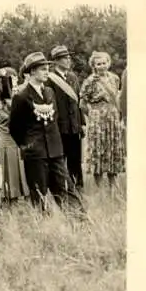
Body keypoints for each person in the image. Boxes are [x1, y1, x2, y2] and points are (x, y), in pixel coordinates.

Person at [9, 52, 86, 218]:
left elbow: (55, 119)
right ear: (32, 72)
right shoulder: (21, 96)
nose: (46, 72)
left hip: (55, 150)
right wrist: (28, 146)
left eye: (47, 68)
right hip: (36, 154)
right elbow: (15, 128)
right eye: (42, 69)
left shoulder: (50, 91)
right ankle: (45, 229)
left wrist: (56, 145)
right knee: (40, 194)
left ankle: (81, 223)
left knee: (67, 189)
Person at [79, 51, 125, 188]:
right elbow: (82, 104)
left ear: (109, 63)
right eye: (98, 64)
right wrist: (94, 115)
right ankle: (99, 188)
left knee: (112, 150)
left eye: (104, 63)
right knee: (97, 152)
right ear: (93, 65)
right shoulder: (89, 81)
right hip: (97, 121)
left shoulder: (115, 78)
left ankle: (113, 187)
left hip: (113, 119)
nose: (102, 66)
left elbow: (117, 99)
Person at [45, 45, 86, 191]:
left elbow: (78, 102)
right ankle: (63, 189)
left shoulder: (73, 77)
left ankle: (77, 188)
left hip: (74, 126)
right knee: (59, 161)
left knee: (75, 160)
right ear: (56, 61)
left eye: (69, 57)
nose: (68, 60)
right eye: (64, 57)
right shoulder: (49, 78)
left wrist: (82, 123)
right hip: (59, 127)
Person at [0, 67, 30, 203]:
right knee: (7, 166)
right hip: (4, 136)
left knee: (19, 165)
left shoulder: (19, 94)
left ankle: (24, 193)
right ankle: (8, 195)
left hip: (16, 137)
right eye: (11, 80)